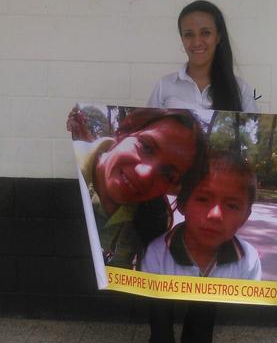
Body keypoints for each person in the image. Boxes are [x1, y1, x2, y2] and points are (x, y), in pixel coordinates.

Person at [134, 0, 277, 343]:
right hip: (176, 197)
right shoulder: (165, 86)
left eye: (205, 32)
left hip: (212, 194)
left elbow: (261, 141)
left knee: (207, 282)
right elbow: (147, 136)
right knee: (157, 280)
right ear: (181, 39)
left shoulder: (240, 90)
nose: (197, 41)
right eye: (189, 34)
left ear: (219, 36)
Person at [70, 107, 206, 269]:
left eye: (168, 175)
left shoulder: (152, 218)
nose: (144, 174)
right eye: (147, 147)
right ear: (124, 133)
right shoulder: (68, 166)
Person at [141, 150, 262, 280]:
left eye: (232, 206)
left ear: (244, 217)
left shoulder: (248, 260)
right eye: (203, 199)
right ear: (182, 203)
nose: (215, 215)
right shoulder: (157, 254)